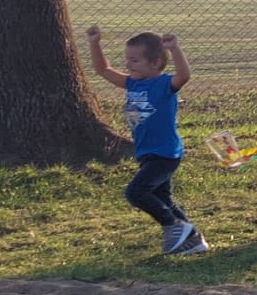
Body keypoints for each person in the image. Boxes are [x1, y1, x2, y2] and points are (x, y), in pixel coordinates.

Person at [87, 25, 208, 256]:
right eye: (127, 60)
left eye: (134, 60)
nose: (128, 65)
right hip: (147, 153)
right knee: (163, 198)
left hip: (165, 154)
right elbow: (103, 70)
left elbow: (184, 76)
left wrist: (175, 49)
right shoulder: (131, 83)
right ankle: (193, 240)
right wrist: (95, 43)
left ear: (155, 63)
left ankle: (173, 226)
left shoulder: (163, 84)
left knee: (136, 192)